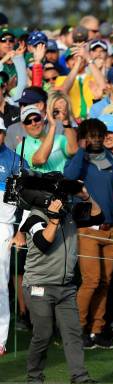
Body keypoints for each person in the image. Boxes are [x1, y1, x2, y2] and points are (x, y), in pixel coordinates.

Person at [19, 185, 103, 383]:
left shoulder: (70, 213)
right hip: (39, 285)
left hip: (65, 286)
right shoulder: (35, 216)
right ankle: (34, 377)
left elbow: (99, 217)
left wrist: (86, 195)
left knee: (73, 332)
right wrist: (53, 218)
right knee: (43, 333)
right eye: (60, 196)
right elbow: (43, 243)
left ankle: (80, 376)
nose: (63, 199)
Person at [63, 118, 113, 349]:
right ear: (84, 137)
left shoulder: (111, 158)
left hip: (111, 230)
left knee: (105, 283)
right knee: (91, 281)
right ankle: (77, 331)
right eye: (92, 135)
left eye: (100, 135)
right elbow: (69, 179)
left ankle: (97, 331)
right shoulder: (79, 160)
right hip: (87, 229)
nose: (96, 139)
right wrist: (81, 151)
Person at [0, 117, 28, 356]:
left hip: (3, 226)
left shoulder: (16, 161)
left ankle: (0, 339)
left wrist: (22, 229)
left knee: (0, 282)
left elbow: (29, 200)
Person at [15, 104, 78, 173]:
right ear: (23, 126)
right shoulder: (22, 146)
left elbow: (74, 150)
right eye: (28, 122)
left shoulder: (59, 138)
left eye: (36, 119)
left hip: (66, 182)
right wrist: (53, 126)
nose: (33, 123)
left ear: (42, 119)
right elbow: (41, 159)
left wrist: (66, 122)